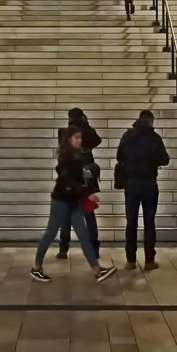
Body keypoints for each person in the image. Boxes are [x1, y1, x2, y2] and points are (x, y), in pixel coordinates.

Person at [32, 128, 116, 282]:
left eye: (80, 137)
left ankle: (97, 270)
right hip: (61, 201)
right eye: (76, 137)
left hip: (74, 201)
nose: (79, 140)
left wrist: (87, 187)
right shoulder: (66, 157)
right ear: (69, 139)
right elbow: (69, 180)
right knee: (50, 234)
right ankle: (36, 267)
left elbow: (82, 176)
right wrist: (86, 191)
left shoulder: (78, 156)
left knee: (84, 235)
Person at [115, 110, 170, 270]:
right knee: (149, 222)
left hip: (132, 185)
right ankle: (149, 260)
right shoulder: (155, 138)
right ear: (151, 121)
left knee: (131, 222)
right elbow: (165, 159)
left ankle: (130, 260)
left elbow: (119, 156)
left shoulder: (127, 136)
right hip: (149, 184)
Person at [57, 108, 103, 259]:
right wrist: (86, 125)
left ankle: (63, 248)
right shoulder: (87, 133)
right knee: (89, 214)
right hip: (87, 179)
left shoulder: (65, 133)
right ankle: (94, 249)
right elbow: (98, 140)